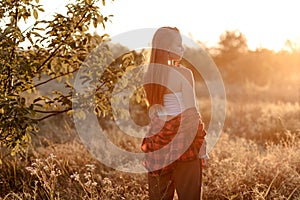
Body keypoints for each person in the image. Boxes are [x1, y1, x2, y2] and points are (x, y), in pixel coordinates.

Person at [141, 26, 209, 200]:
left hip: (158, 141)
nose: (182, 49)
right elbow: (191, 114)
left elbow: (154, 112)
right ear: (168, 49)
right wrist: (202, 147)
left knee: (159, 196)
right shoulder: (184, 74)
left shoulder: (149, 75)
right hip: (183, 140)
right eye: (179, 45)